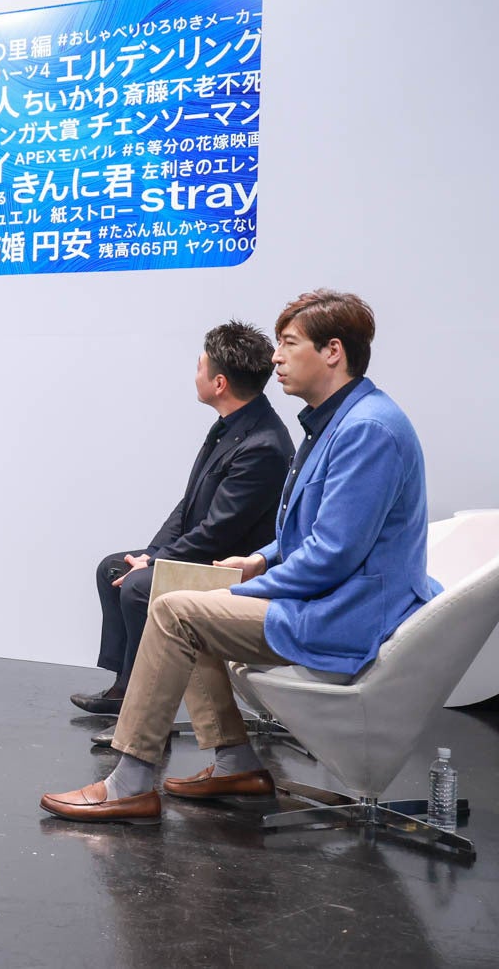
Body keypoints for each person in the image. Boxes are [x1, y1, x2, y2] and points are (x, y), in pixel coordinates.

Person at [42, 290, 441, 824]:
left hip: (349, 613)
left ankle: (131, 782)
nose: (276, 357)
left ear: (332, 352)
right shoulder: (336, 421)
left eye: (289, 343)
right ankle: (235, 762)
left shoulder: (367, 429)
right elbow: (313, 531)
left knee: (177, 611)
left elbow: (331, 556)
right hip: (329, 597)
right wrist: (259, 560)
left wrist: (241, 588)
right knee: (182, 598)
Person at [71, 321, 294, 715]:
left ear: (219, 383)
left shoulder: (263, 445)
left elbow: (218, 532)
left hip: (230, 567)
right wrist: (152, 553)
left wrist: (156, 563)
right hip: (206, 552)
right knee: (114, 569)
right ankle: (125, 687)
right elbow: (188, 506)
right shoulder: (231, 427)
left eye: (199, 366)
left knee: (137, 586)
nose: (195, 374)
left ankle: (146, 710)